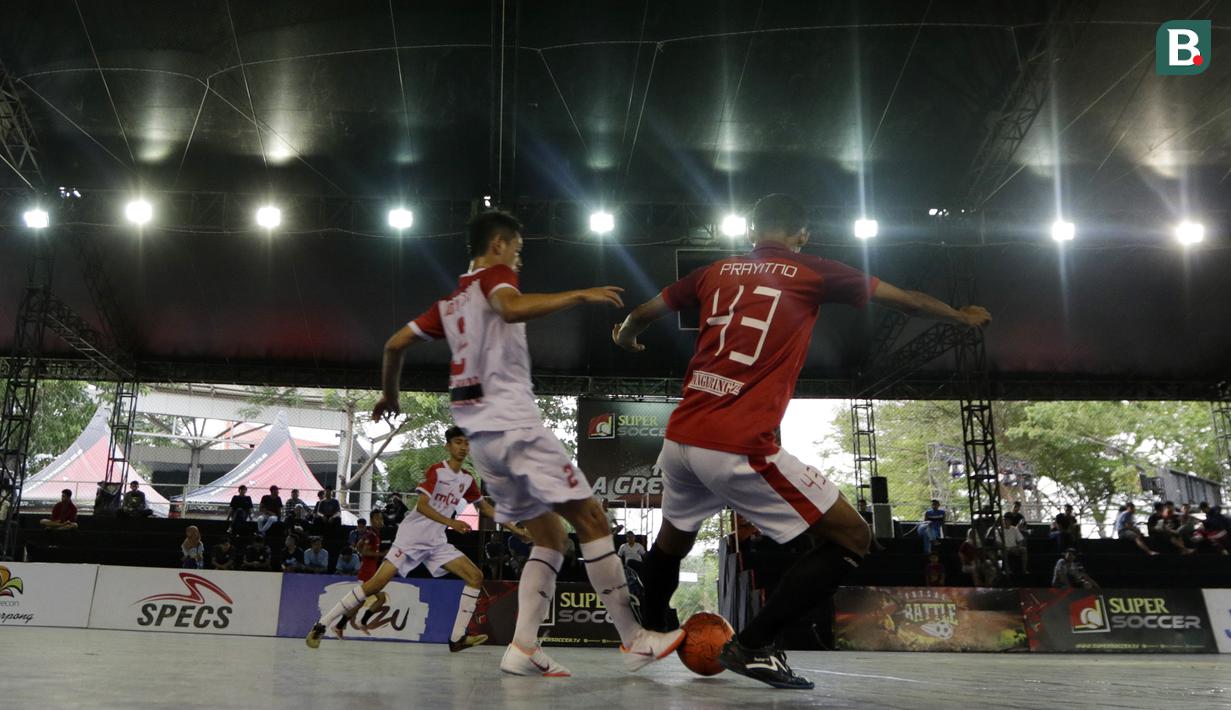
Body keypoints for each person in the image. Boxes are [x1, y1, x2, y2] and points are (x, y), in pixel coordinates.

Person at [612, 193, 991, 689]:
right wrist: (959, 316)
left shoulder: (713, 272)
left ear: (751, 230)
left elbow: (644, 310)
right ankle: (754, 645)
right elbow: (907, 300)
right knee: (853, 537)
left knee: (673, 538)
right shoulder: (814, 271)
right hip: (736, 443)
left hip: (682, 439)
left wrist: (626, 334)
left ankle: (647, 632)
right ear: (803, 234)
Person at [355, 209, 684, 676]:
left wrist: (390, 394)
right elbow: (510, 307)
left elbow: (393, 345)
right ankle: (634, 639)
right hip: (513, 426)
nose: (518, 260)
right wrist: (579, 294)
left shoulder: (448, 305)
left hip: (483, 440)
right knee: (592, 518)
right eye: (517, 249)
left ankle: (523, 647)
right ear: (498, 245)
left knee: (550, 537)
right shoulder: (496, 275)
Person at [309, 427, 532, 653]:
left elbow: (485, 508)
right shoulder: (438, 471)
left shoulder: (467, 479)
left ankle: (457, 638)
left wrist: (515, 529)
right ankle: (322, 625)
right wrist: (452, 522)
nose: (463, 447)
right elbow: (423, 506)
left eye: (467, 443)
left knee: (475, 576)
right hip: (411, 537)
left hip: (436, 542)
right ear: (448, 446)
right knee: (375, 585)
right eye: (458, 442)